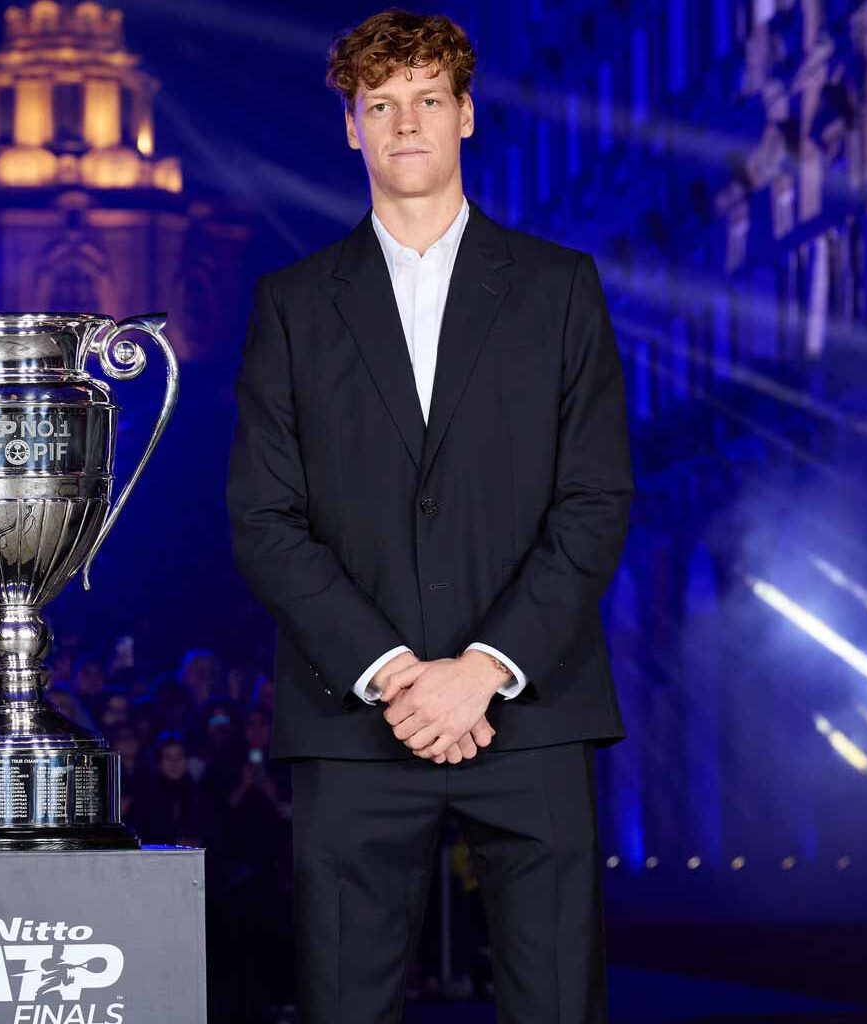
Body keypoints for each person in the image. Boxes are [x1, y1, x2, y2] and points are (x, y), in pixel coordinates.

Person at [226, 11, 632, 1023]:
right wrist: (398, 676)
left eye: (427, 100)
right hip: (353, 719)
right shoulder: (291, 302)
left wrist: (484, 668)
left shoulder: (559, 288)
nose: (406, 123)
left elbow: (596, 499)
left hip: (532, 715)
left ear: (466, 114)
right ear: (352, 127)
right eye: (381, 104)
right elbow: (262, 515)